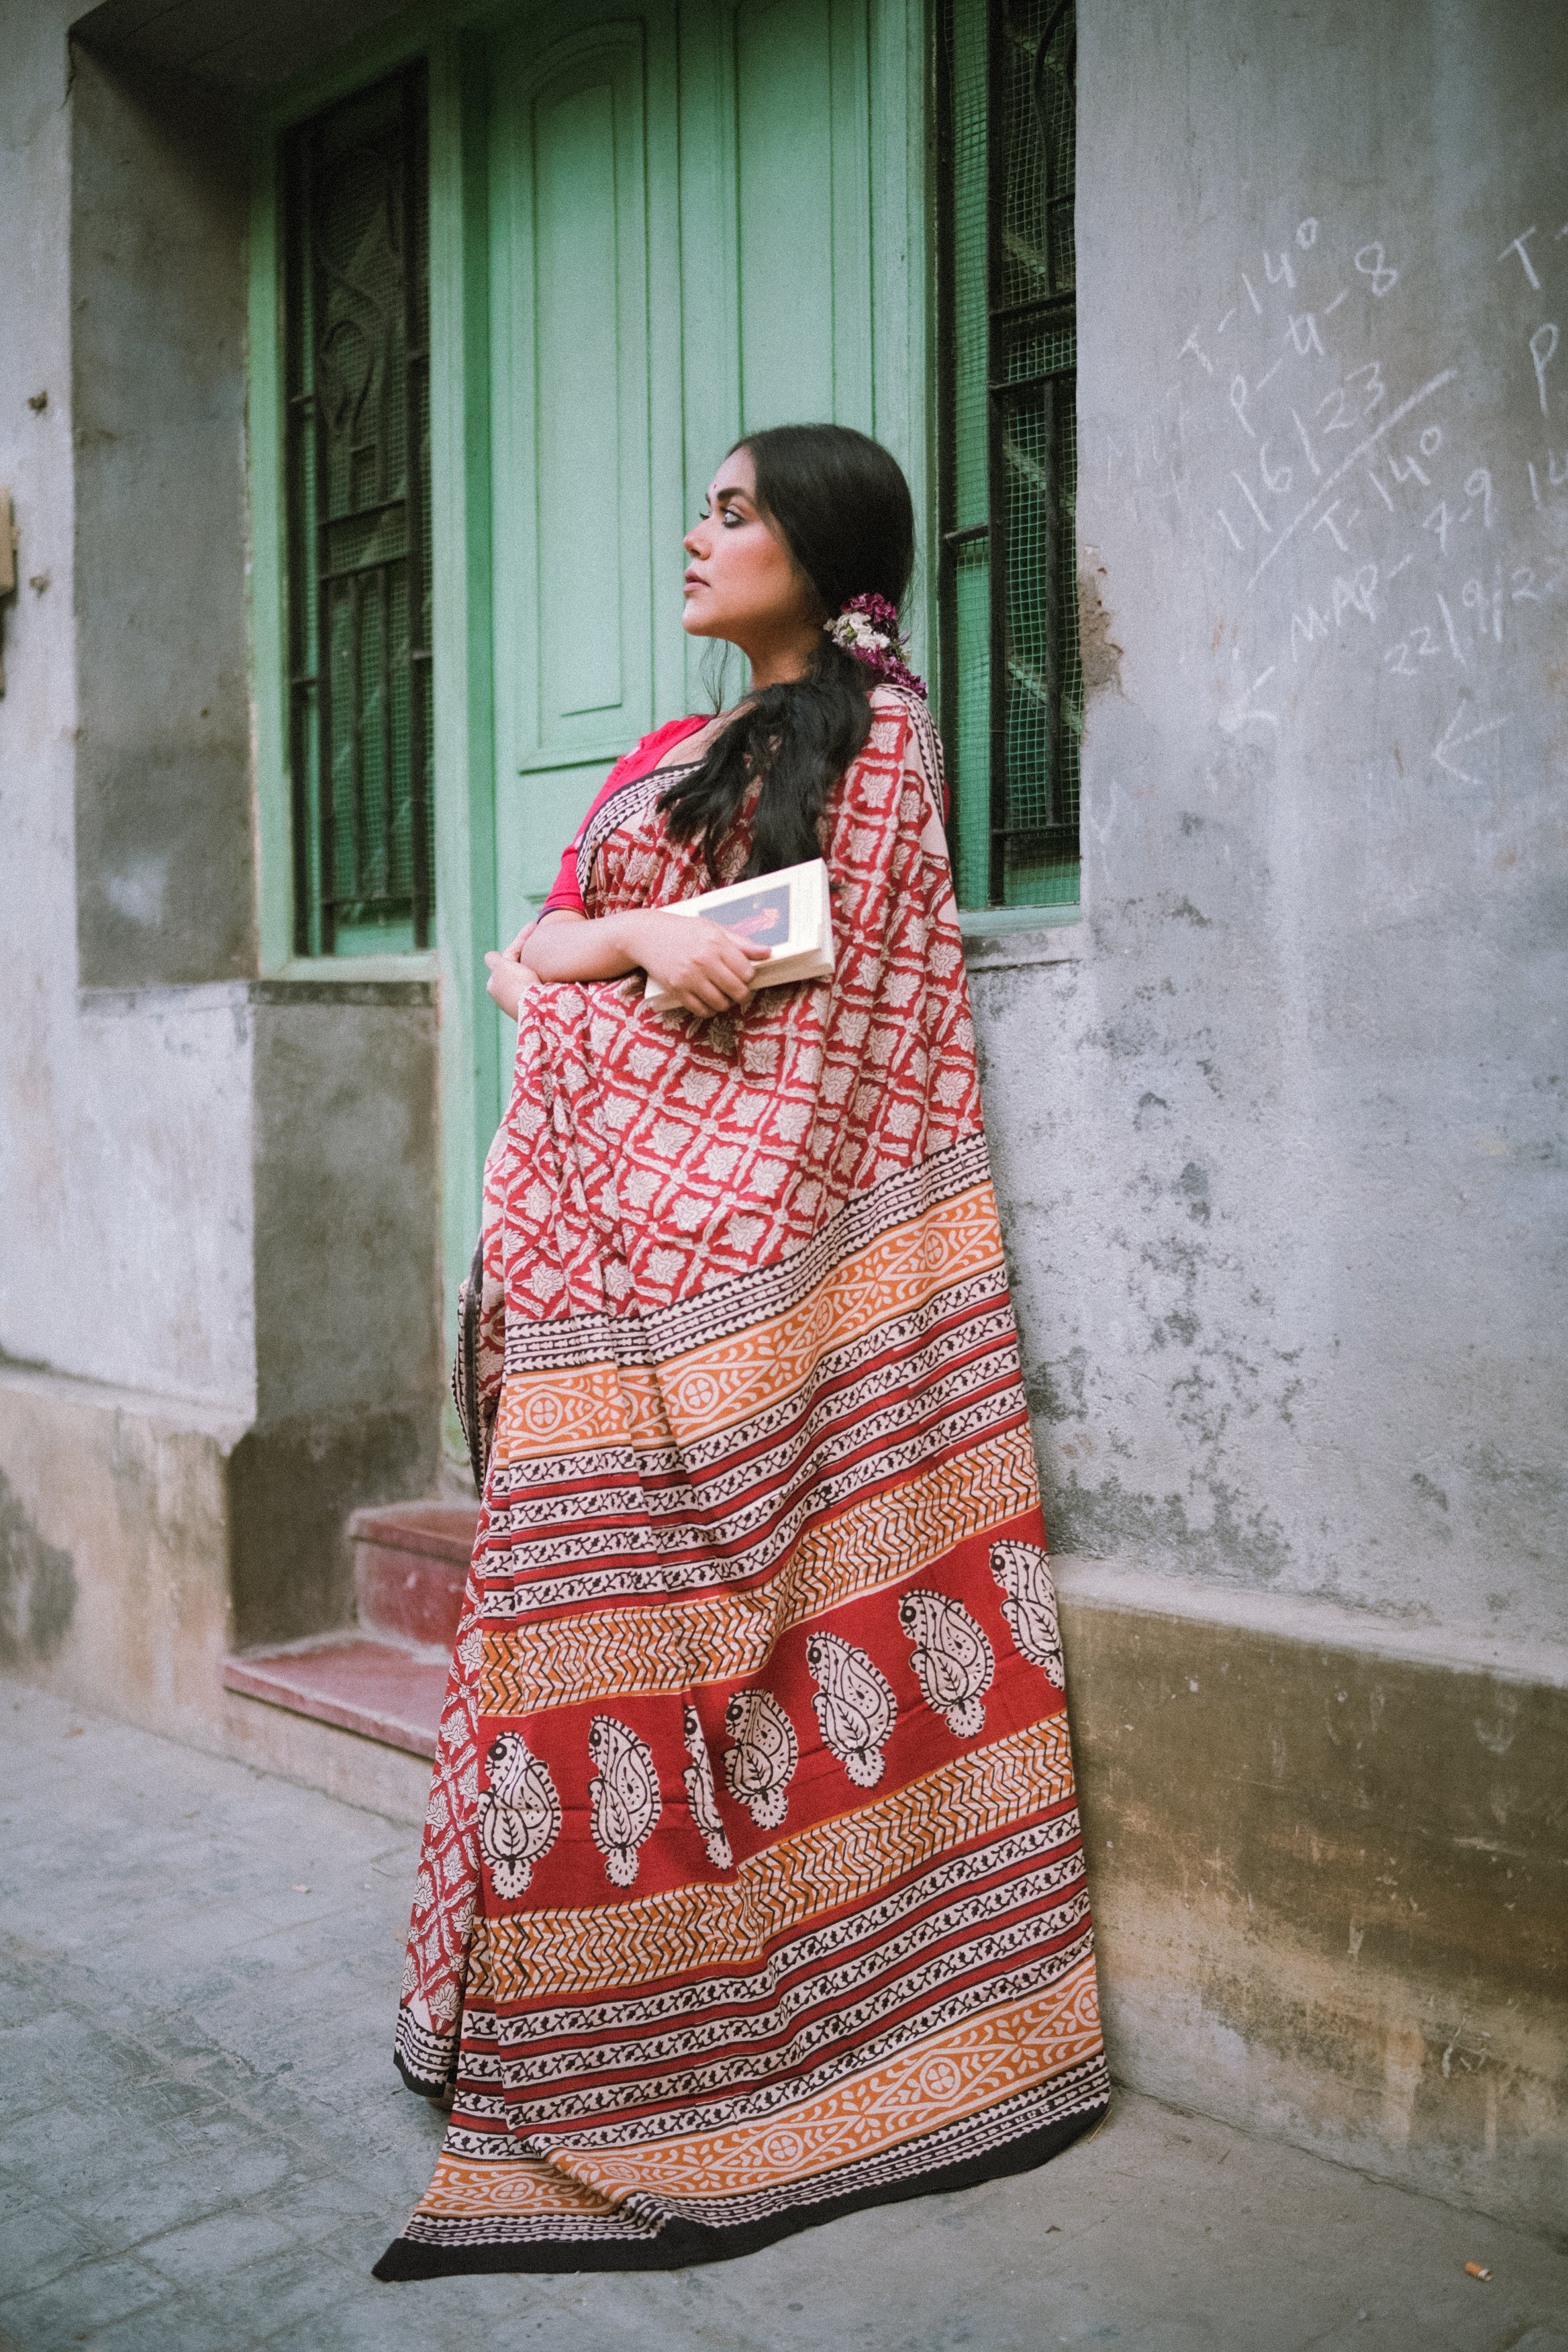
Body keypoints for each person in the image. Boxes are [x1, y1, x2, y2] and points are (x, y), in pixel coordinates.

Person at [375, 424, 1108, 2282]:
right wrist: (628, 939)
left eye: (733, 510)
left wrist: (608, 977)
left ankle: (822, 2029)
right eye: (702, 506)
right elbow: (533, 952)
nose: (696, 537)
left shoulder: (883, 741)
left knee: (744, 1624)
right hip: (600, 1258)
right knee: (562, 1609)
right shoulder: (665, 755)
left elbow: (850, 1020)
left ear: (823, 547)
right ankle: (526, 2015)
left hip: (760, 1265)